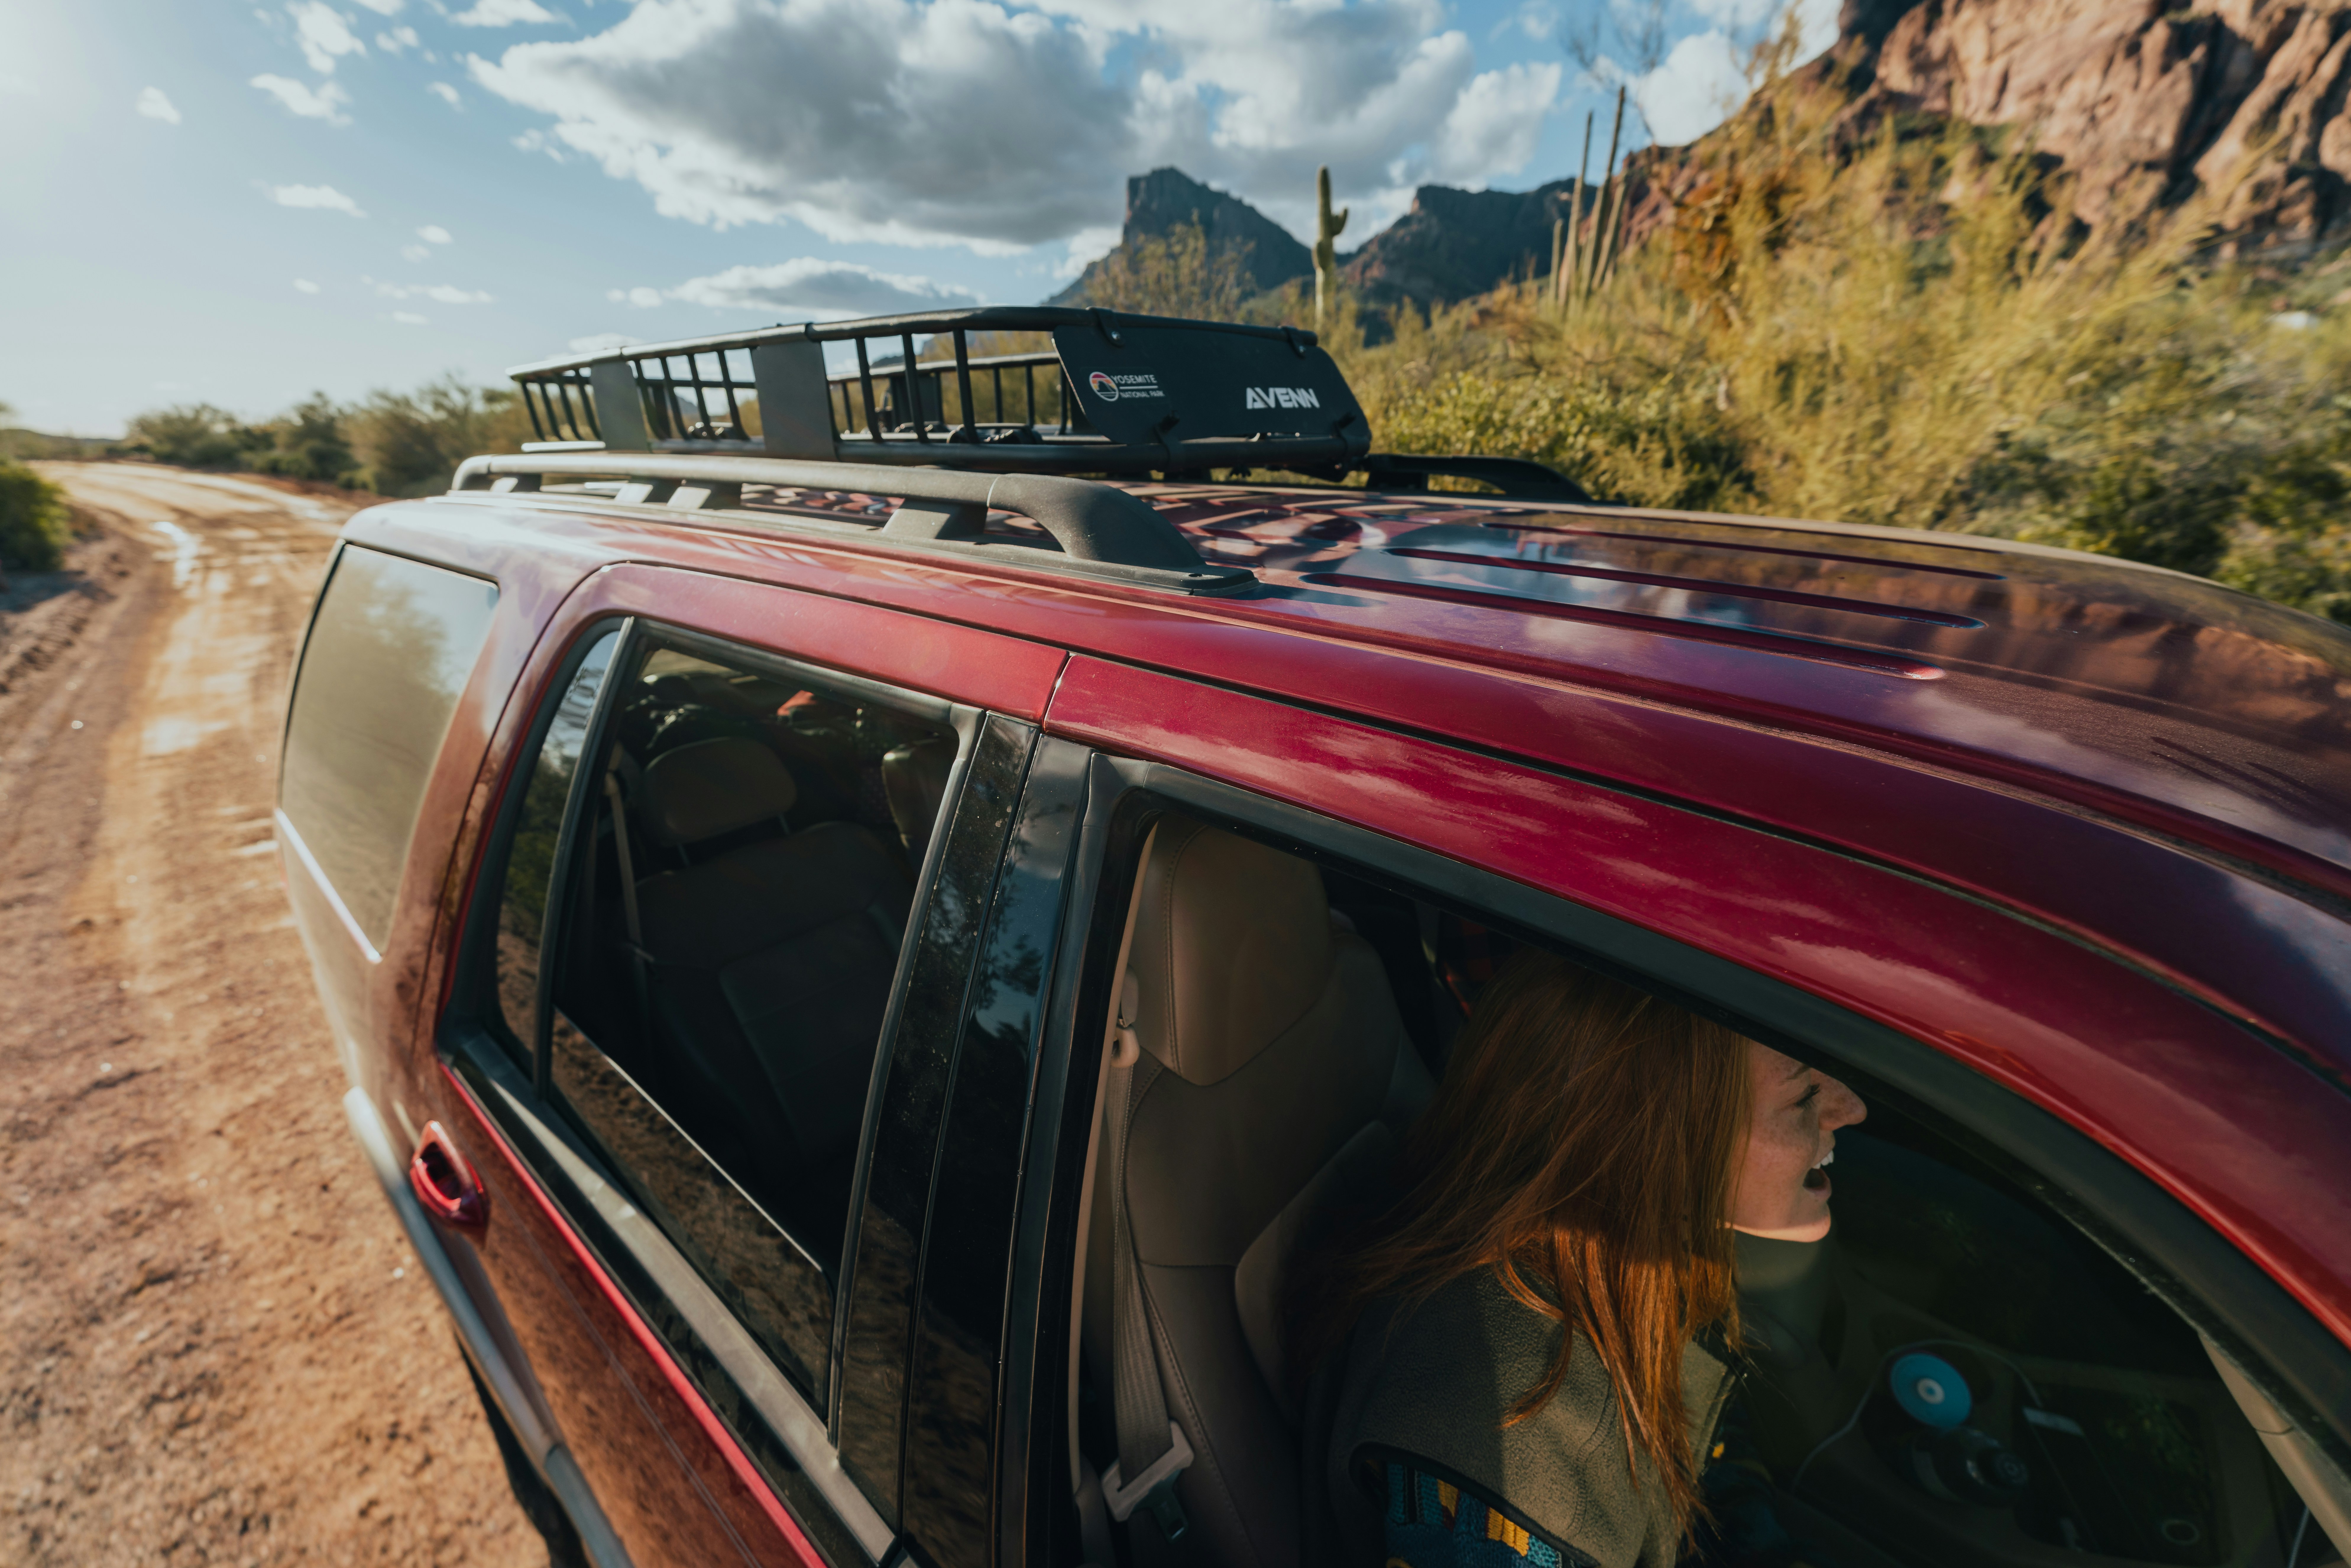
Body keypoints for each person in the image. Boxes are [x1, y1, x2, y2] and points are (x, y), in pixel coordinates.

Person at [1293, 950, 1866, 1568]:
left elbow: (1711, 1485)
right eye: (1805, 1093)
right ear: (1652, 1141)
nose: (1851, 1109)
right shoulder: (1505, 1428)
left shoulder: (1640, 1266)